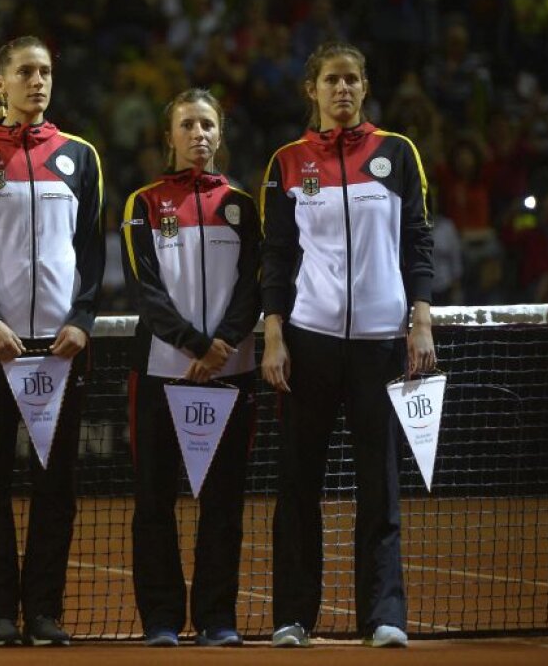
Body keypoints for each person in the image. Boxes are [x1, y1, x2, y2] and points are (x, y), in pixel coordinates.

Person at [260, 42, 435, 649]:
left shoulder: (397, 153)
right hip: (308, 342)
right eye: (332, 80)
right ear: (312, 89)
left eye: (353, 80)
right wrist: (274, 334)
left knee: (380, 485)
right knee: (299, 484)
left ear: (364, 88)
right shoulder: (286, 162)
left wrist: (422, 321)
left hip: (382, 344)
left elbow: (417, 240)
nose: (343, 89)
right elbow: (278, 258)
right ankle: (292, 616)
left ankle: (383, 615)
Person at [0, 36, 105, 646]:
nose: (37, 82)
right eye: (24, 72)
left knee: (55, 484)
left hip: (61, 348)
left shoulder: (81, 156)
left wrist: (82, 319)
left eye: (44, 72)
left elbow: (91, 250)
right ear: (0, 84)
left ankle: (43, 611)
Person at [122, 89, 261, 647]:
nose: (198, 134)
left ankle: (216, 617)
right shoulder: (143, 204)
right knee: (155, 500)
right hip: (160, 372)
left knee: (223, 502)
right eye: (187, 125)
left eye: (207, 124)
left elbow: (255, 284)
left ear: (220, 134)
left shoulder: (244, 206)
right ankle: (160, 619)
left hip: (233, 371)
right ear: (170, 136)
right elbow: (145, 291)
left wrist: (223, 344)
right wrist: (195, 345)